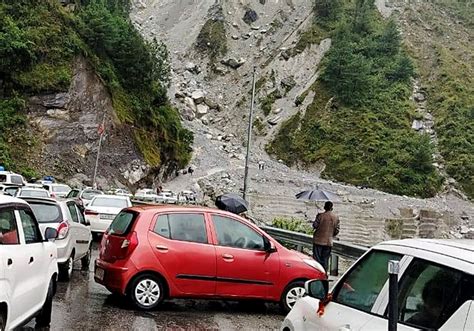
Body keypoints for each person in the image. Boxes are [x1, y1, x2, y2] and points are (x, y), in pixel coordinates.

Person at [312, 201, 340, 272]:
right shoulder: (336, 217)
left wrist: (316, 218)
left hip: (318, 241)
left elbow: (315, 226)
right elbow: (337, 230)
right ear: (332, 208)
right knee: (325, 259)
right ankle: (324, 274)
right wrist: (331, 235)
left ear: (324, 207)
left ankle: (316, 273)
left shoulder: (320, 216)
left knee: (317, 259)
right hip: (328, 242)